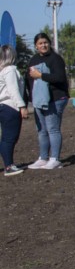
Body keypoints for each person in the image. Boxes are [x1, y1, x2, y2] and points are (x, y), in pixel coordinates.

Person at [24, 32, 70, 170]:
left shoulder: (56, 59)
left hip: (55, 98)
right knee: (42, 130)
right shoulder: (33, 60)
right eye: (40, 43)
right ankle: (43, 158)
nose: (43, 45)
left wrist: (41, 75)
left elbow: (60, 78)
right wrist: (29, 99)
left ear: (49, 43)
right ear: (36, 46)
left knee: (52, 129)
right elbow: (28, 80)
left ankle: (55, 159)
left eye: (45, 42)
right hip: (39, 100)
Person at [0, 45, 28, 176]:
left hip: (3, 106)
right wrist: (21, 106)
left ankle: (8, 164)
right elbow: (13, 90)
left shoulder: (2, 71)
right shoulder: (10, 70)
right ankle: (9, 166)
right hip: (10, 107)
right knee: (10, 137)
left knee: (7, 138)